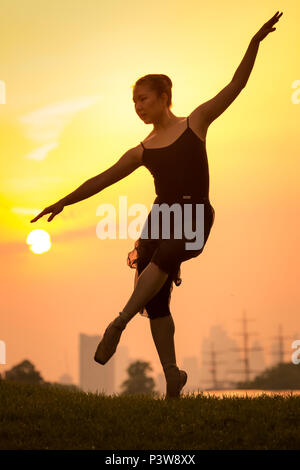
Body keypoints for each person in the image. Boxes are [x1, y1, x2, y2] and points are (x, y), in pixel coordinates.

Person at [30, 11, 283, 399]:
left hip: (194, 217)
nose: (138, 106)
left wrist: (254, 42)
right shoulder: (142, 150)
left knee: (164, 260)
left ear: (164, 97)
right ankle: (172, 377)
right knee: (157, 300)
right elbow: (102, 178)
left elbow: (236, 85)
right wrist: (63, 201)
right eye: (133, 102)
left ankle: (118, 322)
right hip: (160, 220)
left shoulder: (196, 122)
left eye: (143, 98)